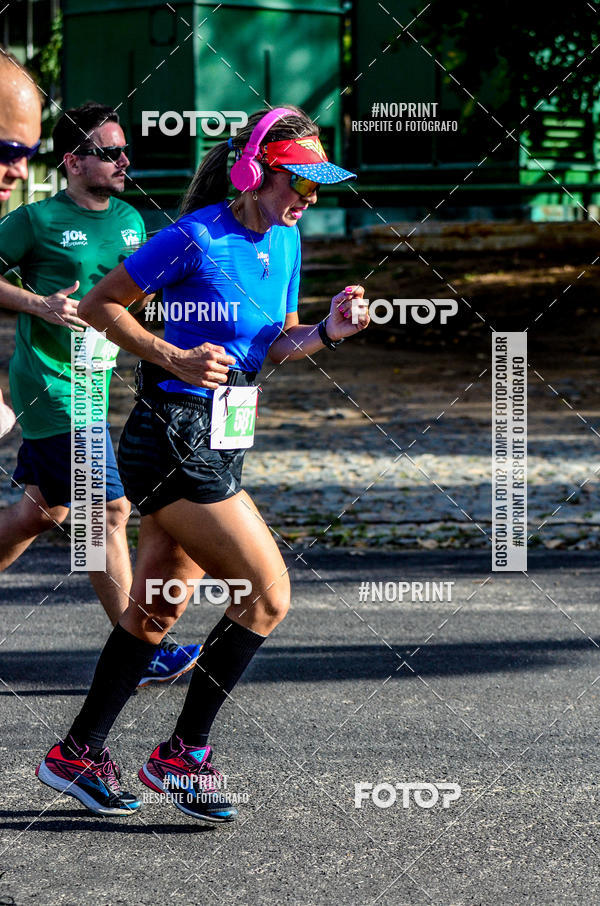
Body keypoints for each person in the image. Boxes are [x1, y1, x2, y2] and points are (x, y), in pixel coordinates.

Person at [36, 105, 369, 821]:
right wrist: (173, 353)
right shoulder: (192, 236)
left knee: (155, 611)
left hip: (227, 434)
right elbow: (102, 307)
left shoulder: (286, 242)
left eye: (317, 189)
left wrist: (327, 334)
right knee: (270, 593)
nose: (308, 200)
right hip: (171, 433)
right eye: (298, 185)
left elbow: (275, 343)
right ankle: (184, 755)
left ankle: (76, 753)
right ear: (255, 172)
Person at [0, 101, 201, 683]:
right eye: (109, 152)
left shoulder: (132, 221)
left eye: (124, 151)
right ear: (73, 161)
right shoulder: (34, 221)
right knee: (106, 510)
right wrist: (39, 303)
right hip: (48, 384)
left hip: (93, 385)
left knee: (40, 512)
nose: (123, 161)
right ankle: (138, 647)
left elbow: (126, 298)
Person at [0, 46, 43, 438]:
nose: (22, 172)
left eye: (30, 154)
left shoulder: (127, 217)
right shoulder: (32, 220)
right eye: (8, 152)